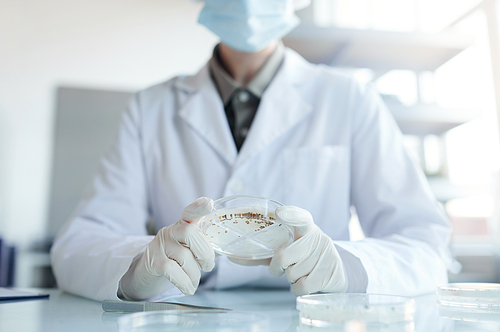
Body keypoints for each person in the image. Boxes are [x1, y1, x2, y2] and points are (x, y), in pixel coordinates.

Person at [50, 0, 452, 302]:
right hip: (187, 318)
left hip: (316, 317)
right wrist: (137, 267)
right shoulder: (151, 108)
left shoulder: (350, 100)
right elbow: (78, 244)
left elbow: (426, 246)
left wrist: (345, 269)